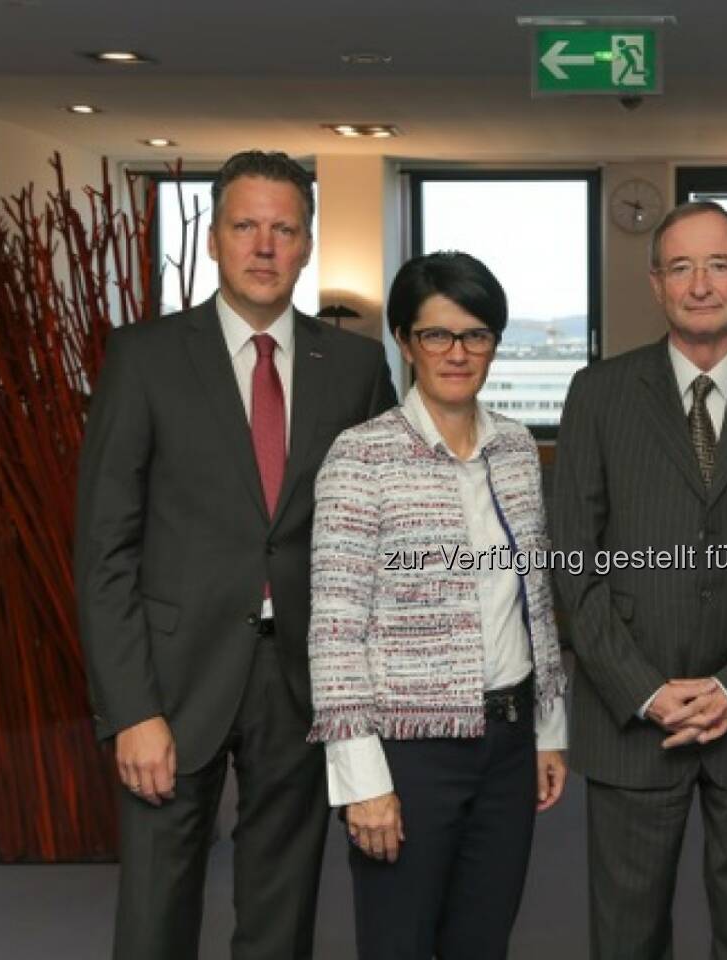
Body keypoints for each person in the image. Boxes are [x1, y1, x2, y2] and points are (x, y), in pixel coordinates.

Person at [75, 150, 396, 959]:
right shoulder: (143, 357)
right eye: (245, 226)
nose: (264, 245)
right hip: (172, 680)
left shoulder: (355, 368)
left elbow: (384, 535)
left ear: (307, 242)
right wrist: (131, 710)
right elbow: (105, 549)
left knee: (281, 909)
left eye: (283, 228)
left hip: (301, 675)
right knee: (156, 910)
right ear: (215, 240)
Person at [552, 201, 727, 959]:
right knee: (625, 938)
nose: (701, 284)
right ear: (656, 284)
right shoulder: (599, 394)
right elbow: (574, 561)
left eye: (718, 265)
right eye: (681, 266)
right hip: (631, 720)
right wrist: (644, 689)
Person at [306, 251, 568, 959]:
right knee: (400, 942)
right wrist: (362, 782)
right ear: (403, 340)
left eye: (476, 335)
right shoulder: (362, 457)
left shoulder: (515, 446)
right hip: (410, 752)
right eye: (437, 335)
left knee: (483, 940)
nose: (458, 353)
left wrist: (548, 729)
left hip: (509, 744)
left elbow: (534, 601)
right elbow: (335, 630)